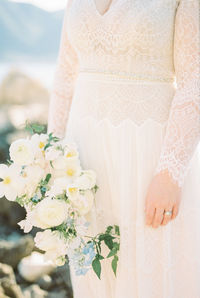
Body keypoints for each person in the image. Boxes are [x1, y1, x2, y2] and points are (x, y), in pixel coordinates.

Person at [47, 0, 200, 297]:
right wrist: (50, 154)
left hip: (148, 153)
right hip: (82, 156)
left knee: (148, 263)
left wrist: (170, 172)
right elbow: (64, 77)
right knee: (94, 264)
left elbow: (195, 80)